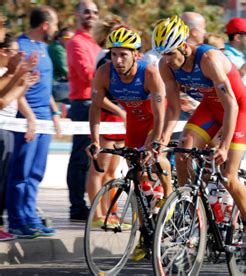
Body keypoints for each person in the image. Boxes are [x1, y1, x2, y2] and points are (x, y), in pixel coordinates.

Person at [153, 16, 246, 259]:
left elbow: (231, 104)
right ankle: (190, 212)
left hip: (237, 107)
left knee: (227, 174)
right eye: (162, 54)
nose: (167, 59)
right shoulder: (165, 65)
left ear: (184, 46)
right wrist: (162, 138)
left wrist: (223, 144)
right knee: (182, 151)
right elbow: (173, 108)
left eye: (170, 53)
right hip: (210, 107)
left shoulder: (208, 59)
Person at [88, 26, 172, 261]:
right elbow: (94, 108)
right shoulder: (104, 72)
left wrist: (152, 143)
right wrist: (94, 140)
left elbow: (159, 116)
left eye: (123, 54)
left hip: (157, 120)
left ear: (136, 54)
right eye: (114, 54)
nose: (117, 60)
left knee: (155, 156)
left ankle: (169, 193)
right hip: (134, 122)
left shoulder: (150, 73)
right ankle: (146, 236)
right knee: (137, 179)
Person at [6, 6, 61, 238]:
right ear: (45, 25)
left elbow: (43, 85)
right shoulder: (20, 46)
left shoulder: (45, 48)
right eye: (56, 24)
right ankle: (17, 221)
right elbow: (17, 88)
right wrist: (29, 117)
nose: (57, 29)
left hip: (45, 119)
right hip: (26, 119)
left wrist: (56, 113)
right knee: (21, 172)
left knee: (36, 173)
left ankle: (31, 218)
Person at [86, 16, 127, 227]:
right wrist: (120, 112)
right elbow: (98, 98)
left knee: (112, 171)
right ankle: (97, 214)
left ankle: (110, 213)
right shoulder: (105, 61)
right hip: (106, 118)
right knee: (98, 170)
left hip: (119, 121)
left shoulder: (123, 61)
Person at [0, 33, 39, 241]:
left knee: (3, 180)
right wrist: (20, 79)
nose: (19, 56)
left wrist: (30, 118)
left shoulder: (8, 72)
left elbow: (17, 97)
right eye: (16, 52)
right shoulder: (4, 72)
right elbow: (3, 101)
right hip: (2, 127)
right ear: (4, 52)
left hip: (7, 128)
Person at [66, 0, 101, 222]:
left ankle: (91, 204)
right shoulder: (75, 42)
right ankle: (77, 206)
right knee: (80, 157)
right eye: (86, 11)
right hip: (83, 104)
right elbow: (89, 74)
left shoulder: (96, 44)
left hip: (98, 104)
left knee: (93, 159)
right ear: (77, 15)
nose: (91, 15)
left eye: (95, 12)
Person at [224, 17, 246, 101]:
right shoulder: (226, 56)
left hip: (245, 109)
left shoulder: (239, 55)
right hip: (237, 110)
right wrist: (241, 73)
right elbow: (222, 84)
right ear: (237, 37)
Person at [48, 27, 73, 104]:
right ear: (59, 38)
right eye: (67, 38)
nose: (70, 41)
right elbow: (66, 70)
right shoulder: (58, 49)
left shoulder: (55, 46)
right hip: (56, 85)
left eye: (72, 39)